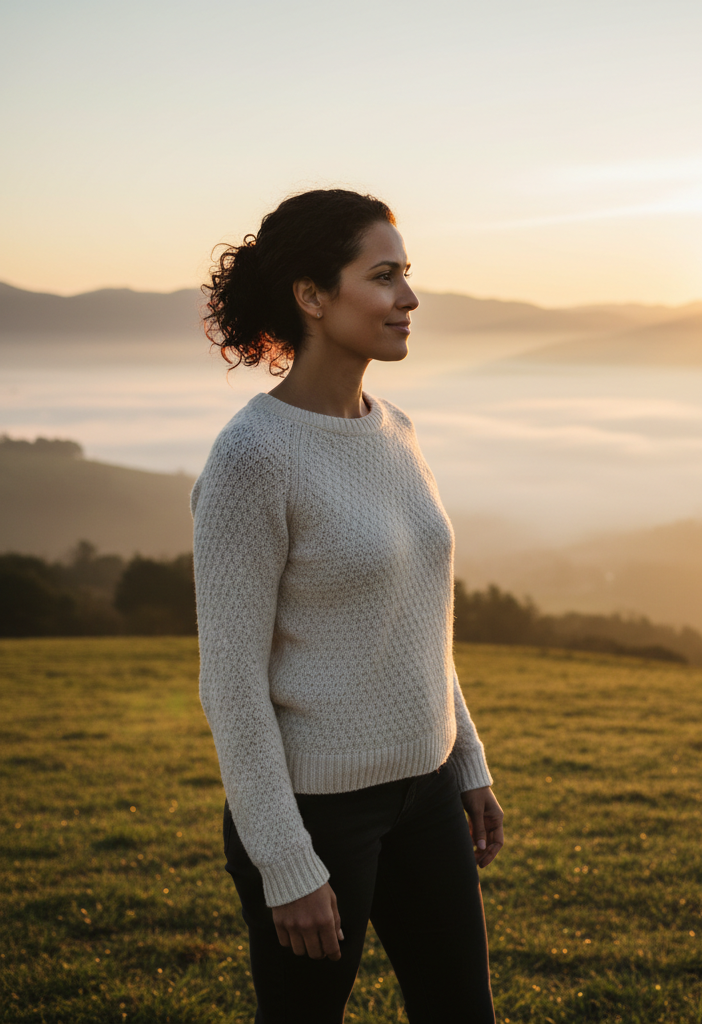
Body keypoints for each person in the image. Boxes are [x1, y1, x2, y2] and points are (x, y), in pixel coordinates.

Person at [191, 188, 504, 1023]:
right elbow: (230, 685)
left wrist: (464, 761)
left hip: (429, 794)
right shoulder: (251, 460)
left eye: (408, 275)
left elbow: (419, 627)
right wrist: (285, 861)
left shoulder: (397, 430)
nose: (409, 298)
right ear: (312, 296)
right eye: (385, 276)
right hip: (317, 815)